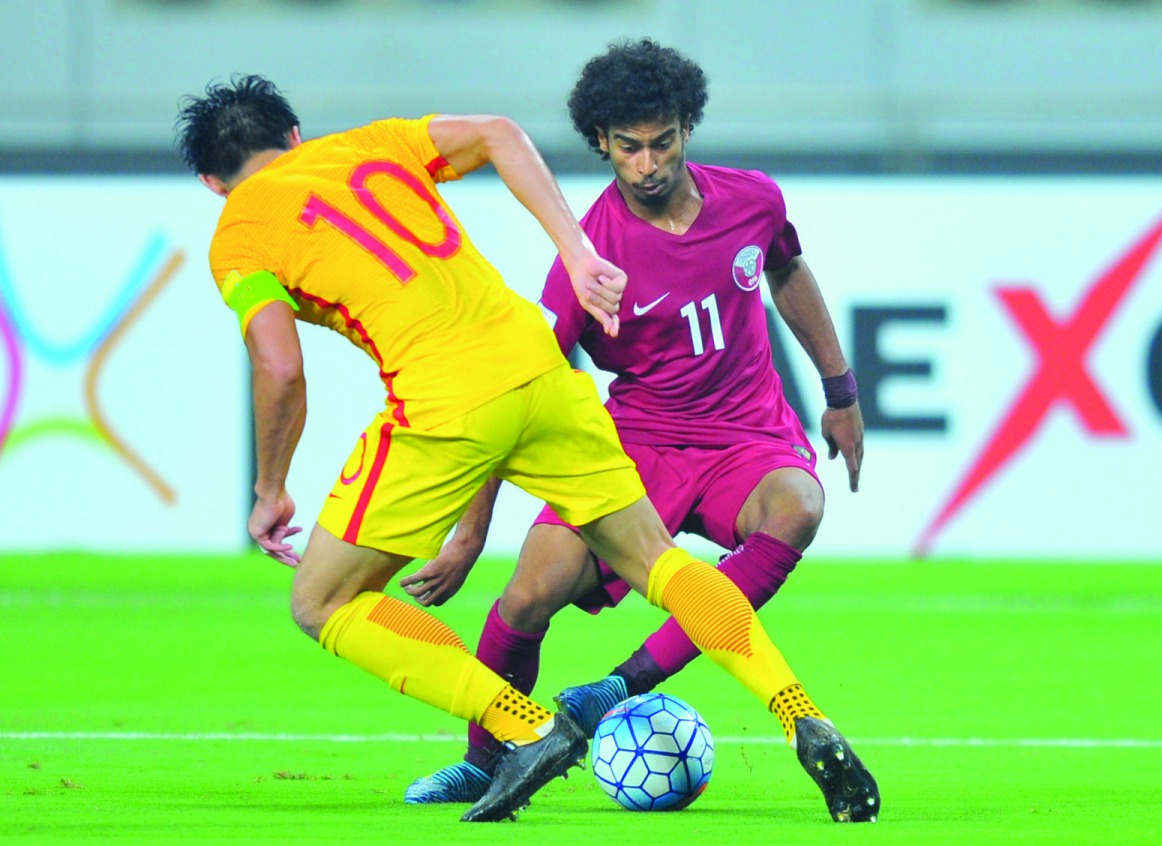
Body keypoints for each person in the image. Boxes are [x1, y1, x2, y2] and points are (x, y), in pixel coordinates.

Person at [174, 74, 876, 824]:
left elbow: (279, 366)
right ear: (293, 137)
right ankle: (801, 711)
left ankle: (528, 727)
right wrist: (575, 251)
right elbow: (501, 131)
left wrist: (269, 489)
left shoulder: (237, 236)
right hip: (539, 366)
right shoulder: (370, 145)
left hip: (441, 401)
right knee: (660, 565)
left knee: (324, 601)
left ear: (213, 182)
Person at [401, 39, 878, 824]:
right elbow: (518, 393)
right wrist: (467, 534)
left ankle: (617, 686)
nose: (648, 162)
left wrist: (840, 389)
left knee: (799, 505)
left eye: (662, 141)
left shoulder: (754, 201)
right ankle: (481, 764)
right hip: (632, 450)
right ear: (602, 144)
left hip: (746, 437)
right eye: (629, 147)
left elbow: (787, 271)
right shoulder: (586, 261)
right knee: (526, 598)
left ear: (687, 128)